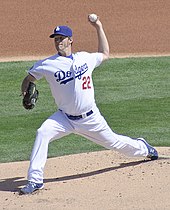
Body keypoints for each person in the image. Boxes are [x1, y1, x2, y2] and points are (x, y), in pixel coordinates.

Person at [20, 15, 158, 195]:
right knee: (42, 132)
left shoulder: (85, 58)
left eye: (61, 38)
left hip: (91, 118)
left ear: (71, 40)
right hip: (64, 118)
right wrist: (24, 93)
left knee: (115, 143)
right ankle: (35, 180)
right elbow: (29, 78)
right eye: (56, 39)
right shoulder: (47, 64)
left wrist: (98, 26)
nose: (58, 42)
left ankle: (143, 148)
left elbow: (105, 53)